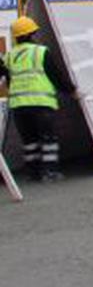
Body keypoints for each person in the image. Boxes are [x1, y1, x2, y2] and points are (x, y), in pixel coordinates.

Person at [0, 16, 76, 182]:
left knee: (29, 141)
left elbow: (7, 79)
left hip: (19, 106)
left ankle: (33, 173)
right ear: (33, 33)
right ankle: (50, 172)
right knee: (48, 139)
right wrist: (71, 91)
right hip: (41, 104)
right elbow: (56, 76)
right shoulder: (41, 52)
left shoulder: (9, 56)